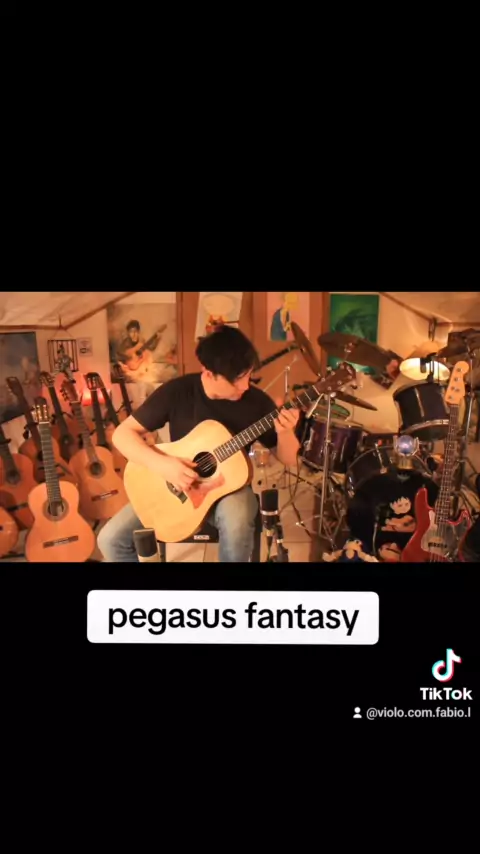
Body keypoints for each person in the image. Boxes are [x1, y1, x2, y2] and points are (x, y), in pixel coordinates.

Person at [98, 327, 301, 562]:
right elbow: (122, 435)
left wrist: (286, 433)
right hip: (176, 488)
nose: (245, 386)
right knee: (110, 540)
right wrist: (164, 466)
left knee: (237, 519)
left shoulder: (257, 402)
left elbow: (289, 459)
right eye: (237, 379)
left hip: (229, 489)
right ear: (209, 373)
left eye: (247, 375)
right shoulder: (178, 391)